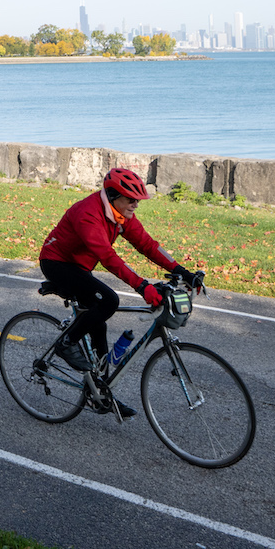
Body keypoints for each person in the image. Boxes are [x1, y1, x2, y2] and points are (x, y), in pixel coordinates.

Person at [38, 167, 202, 416]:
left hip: (80, 266)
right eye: (131, 199)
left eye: (138, 200)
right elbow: (108, 257)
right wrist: (142, 286)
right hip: (58, 263)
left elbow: (147, 245)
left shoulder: (120, 215)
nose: (135, 204)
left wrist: (182, 270)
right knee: (109, 301)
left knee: (98, 325)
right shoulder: (88, 214)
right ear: (113, 195)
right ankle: (66, 343)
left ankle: (100, 393)